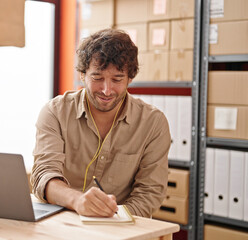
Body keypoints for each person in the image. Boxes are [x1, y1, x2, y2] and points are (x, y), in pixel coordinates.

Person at [31, 28, 171, 218]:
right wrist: (78, 201)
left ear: (130, 78)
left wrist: (112, 218)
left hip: (123, 227)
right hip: (62, 223)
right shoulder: (55, 112)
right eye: (97, 78)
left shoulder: (153, 123)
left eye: (117, 79)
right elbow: (44, 176)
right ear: (82, 75)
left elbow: (150, 192)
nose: (106, 90)